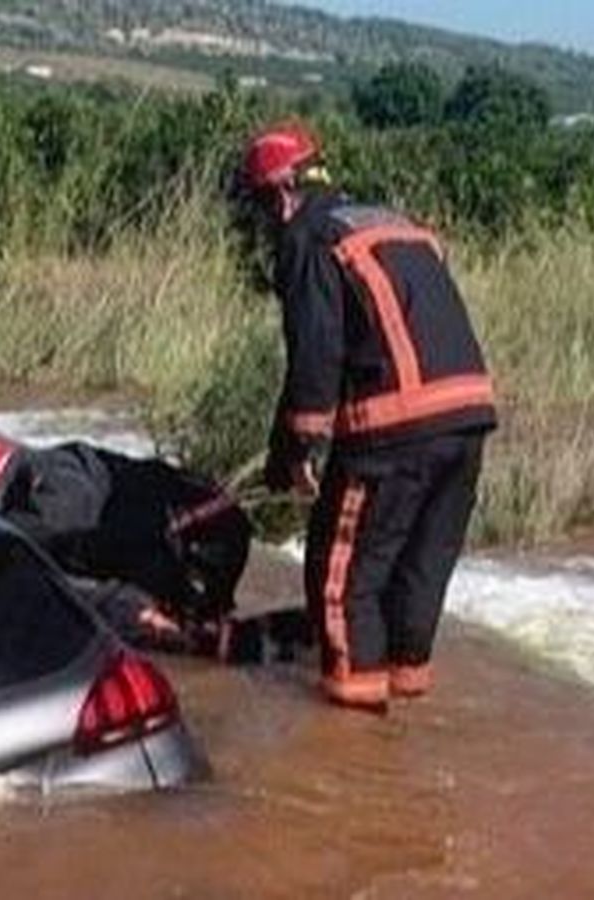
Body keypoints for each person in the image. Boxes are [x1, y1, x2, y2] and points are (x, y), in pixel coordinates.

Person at [234, 120, 497, 712]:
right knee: (417, 570)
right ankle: (405, 715)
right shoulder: (397, 224)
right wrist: (287, 449)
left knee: (342, 582)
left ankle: (353, 747)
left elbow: (317, 352)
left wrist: (301, 450)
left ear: (279, 194)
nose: (262, 223)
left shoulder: (306, 237)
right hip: (469, 416)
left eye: (259, 206)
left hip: (391, 428)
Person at [0, 438, 252, 654]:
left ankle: (184, 628)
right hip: (218, 521)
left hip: (195, 543)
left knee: (68, 601)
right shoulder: (70, 458)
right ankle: (212, 624)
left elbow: (71, 550)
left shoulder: (40, 494)